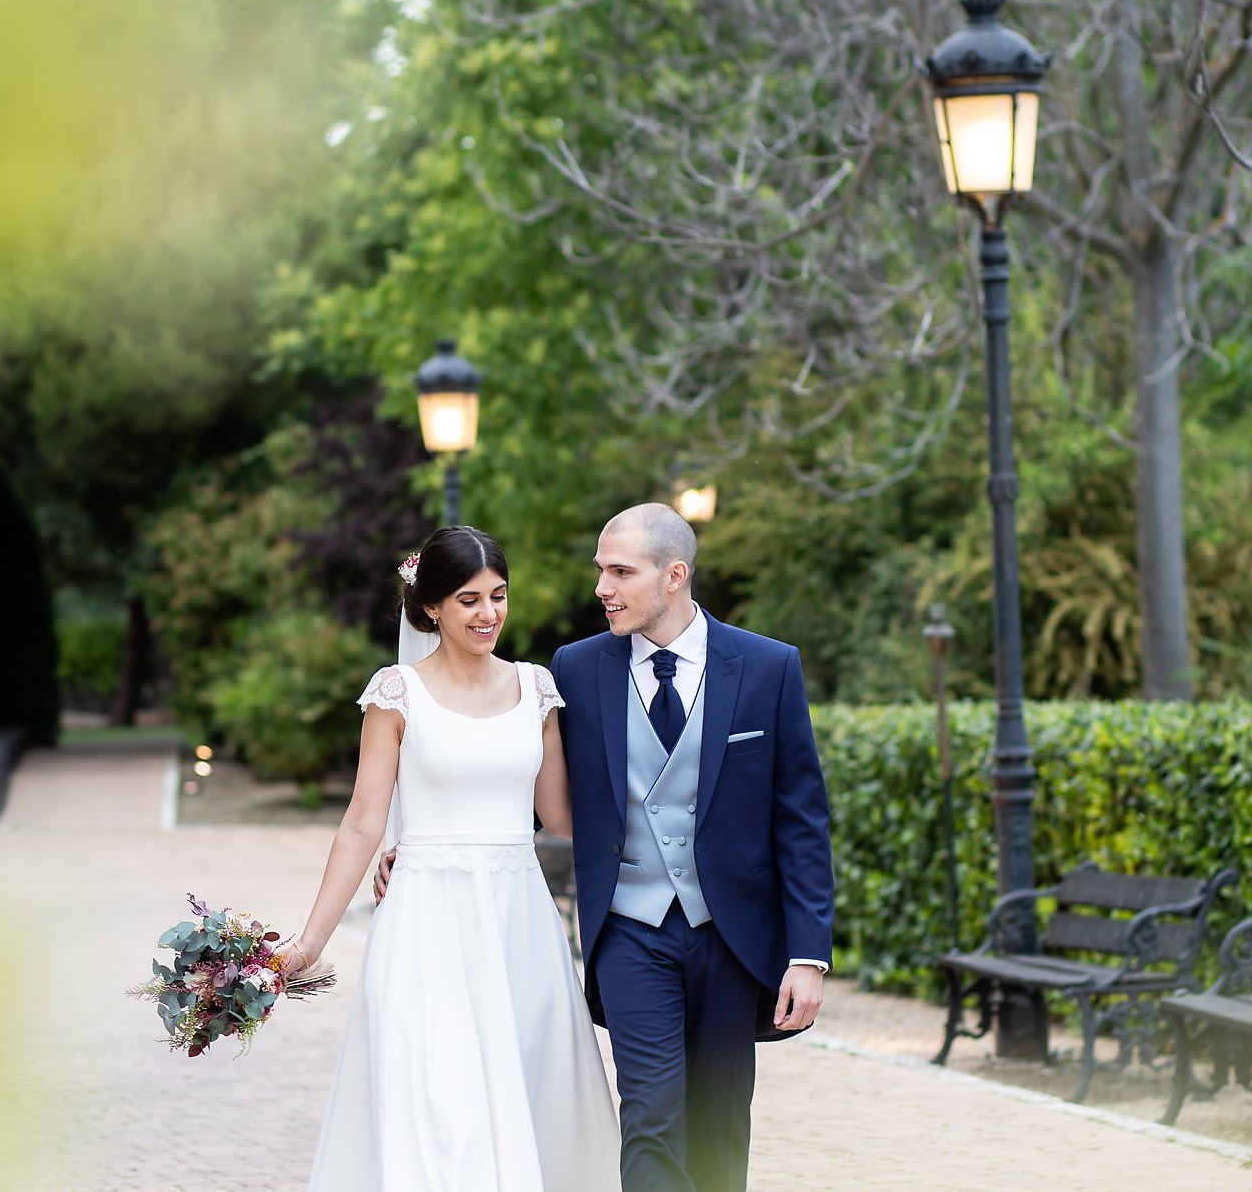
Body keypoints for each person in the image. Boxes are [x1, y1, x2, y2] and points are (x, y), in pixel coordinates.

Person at [277, 525, 621, 1192]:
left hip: (518, 920)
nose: (489, 613)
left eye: (499, 595)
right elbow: (362, 822)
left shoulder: (537, 688)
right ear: (431, 605)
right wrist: (310, 940)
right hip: (428, 920)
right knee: (442, 1102)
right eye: (469, 599)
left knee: (531, 1091)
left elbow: (560, 816)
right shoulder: (395, 693)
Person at [555, 503, 834, 1192]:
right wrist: (410, 844)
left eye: (621, 571)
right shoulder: (576, 668)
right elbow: (520, 780)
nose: (603, 588)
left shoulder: (769, 667)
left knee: (717, 1123)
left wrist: (808, 953)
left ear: (674, 574)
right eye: (600, 570)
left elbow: (801, 819)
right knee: (649, 1113)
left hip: (731, 935)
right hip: (628, 929)